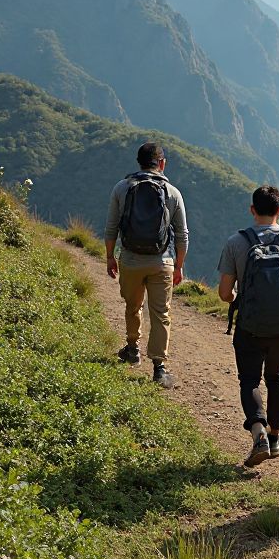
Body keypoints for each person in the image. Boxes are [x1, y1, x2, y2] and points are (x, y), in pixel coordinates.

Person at [217, 185, 279, 468]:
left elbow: (224, 293)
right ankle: (275, 436)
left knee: (249, 380)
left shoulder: (236, 242)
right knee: (276, 377)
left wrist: (238, 299)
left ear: (252, 210)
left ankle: (257, 432)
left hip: (249, 326)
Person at [105, 141, 188, 388]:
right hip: (162, 261)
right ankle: (159, 369)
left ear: (139, 162)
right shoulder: (172, 193)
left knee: (133, 304)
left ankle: (132, 349)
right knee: (161, 313)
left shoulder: (122, 187)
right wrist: (179, 264)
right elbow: (182, 234)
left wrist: (110, 256)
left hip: (130, 259)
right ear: (162, 164)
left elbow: (111, 227)